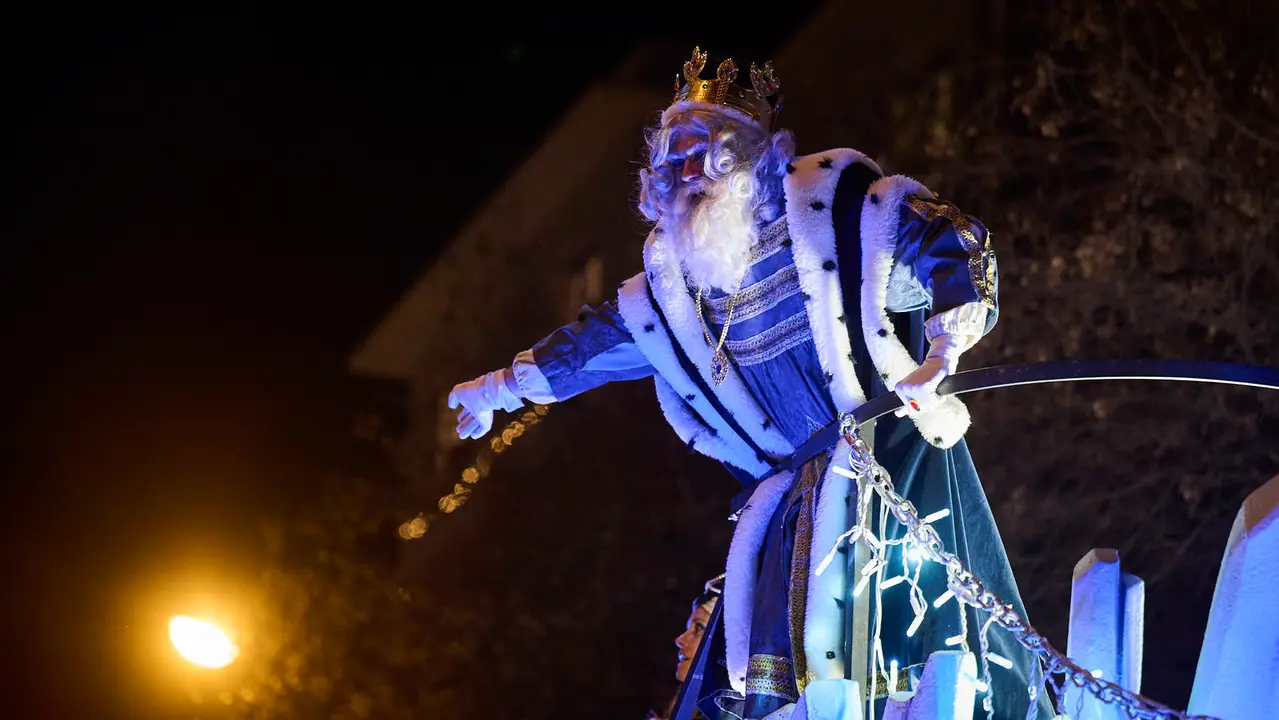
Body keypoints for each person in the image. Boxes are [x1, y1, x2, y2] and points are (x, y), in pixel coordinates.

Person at [448, 47, 1049, 719]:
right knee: (788, 685)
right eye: (671, 161)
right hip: (794, 499)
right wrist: (499, 388)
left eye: (701, 154)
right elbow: (598, 342)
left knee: (916, 652)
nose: (685, 174)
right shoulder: (675, 289)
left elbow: (950, 239)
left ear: (745, 154)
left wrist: (942, 349)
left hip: (892, 466)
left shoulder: (833, 207)